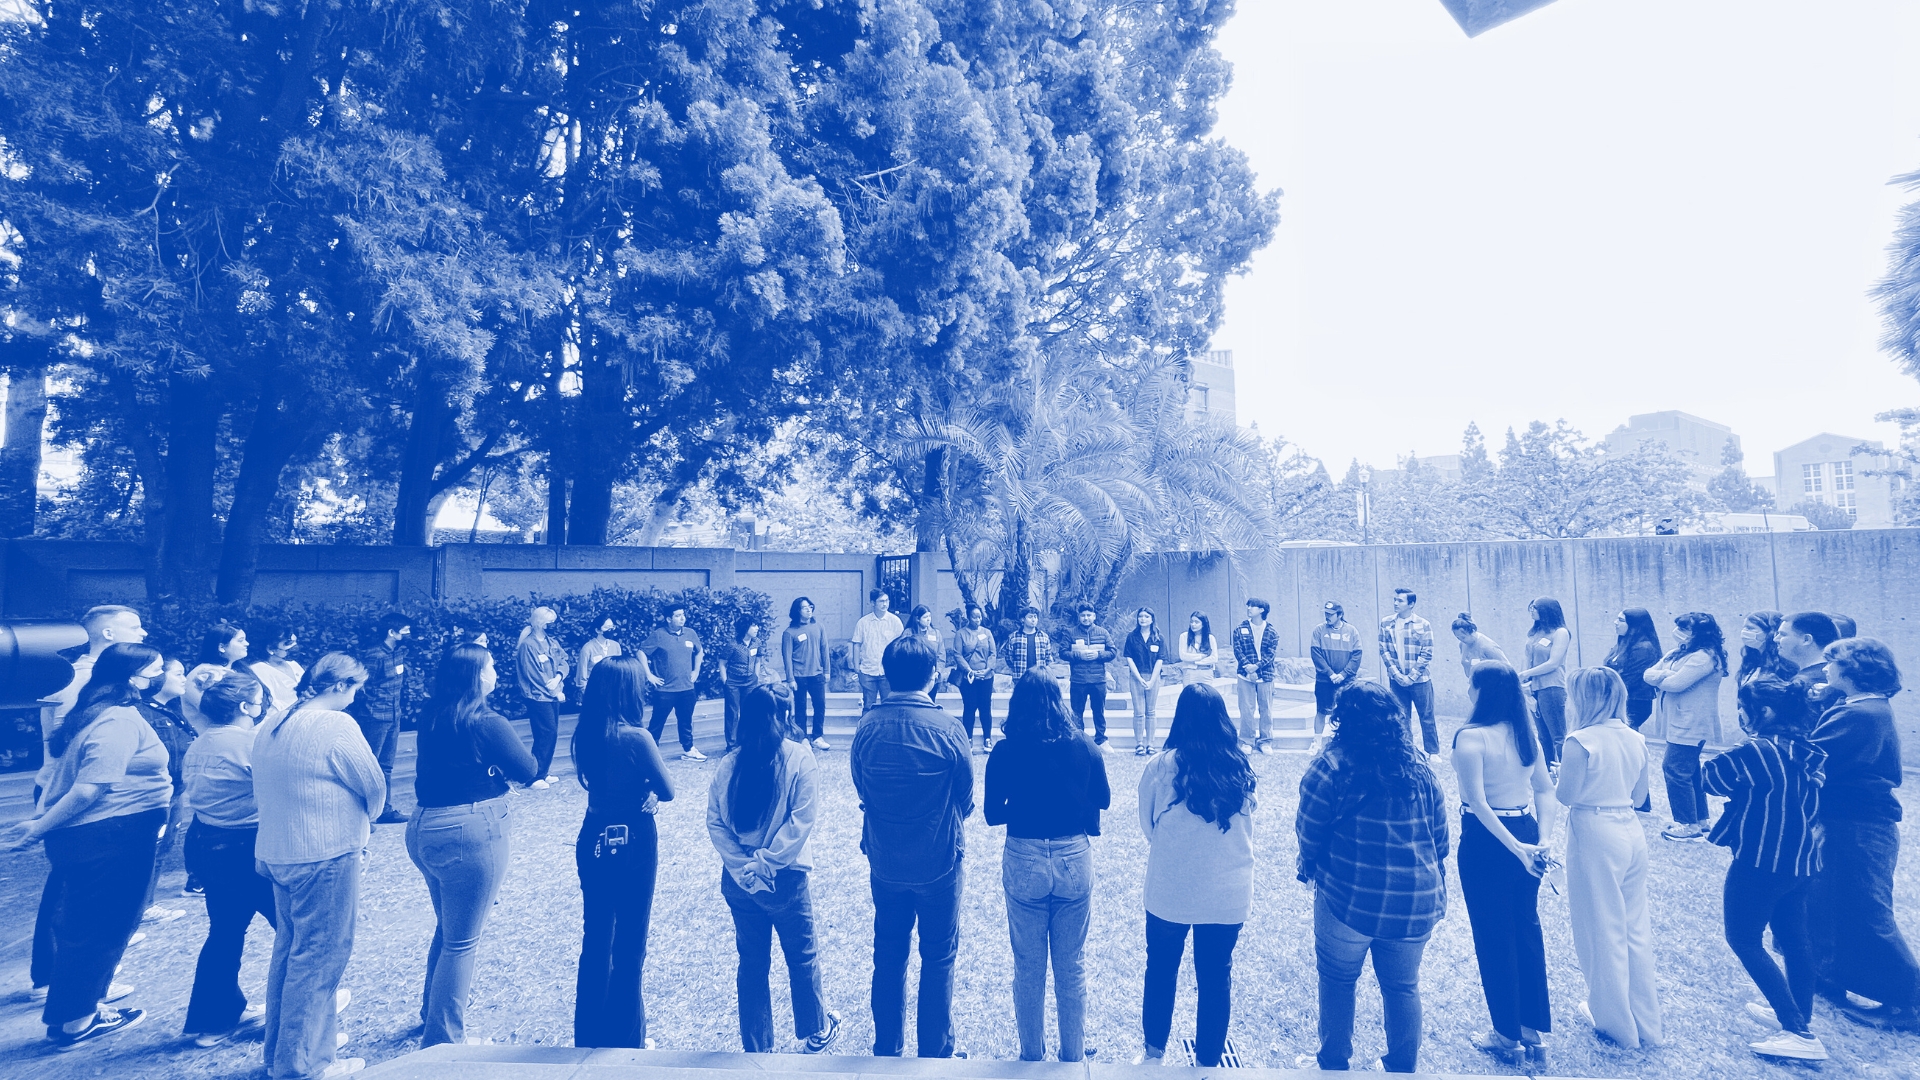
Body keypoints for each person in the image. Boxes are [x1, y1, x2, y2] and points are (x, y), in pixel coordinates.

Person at [4, 643, 170, 1049]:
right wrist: (38, 828)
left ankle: (69, 1016)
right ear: (133, 677)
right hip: (111, 835)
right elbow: (89, 788)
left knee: (86, 925)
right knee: (103, 927)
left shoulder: (94, 712)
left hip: (100, 835)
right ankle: (79, 1021)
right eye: (156, 670)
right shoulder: (118, 720)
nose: (162, 675)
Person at [1294, 680, 1449, 1074]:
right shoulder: (1419, 767)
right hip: (1415, 903)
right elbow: (1440, 839)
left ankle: (1333, 1063)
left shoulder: (1330, 767)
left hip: (1348, 900)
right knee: (1402, 986)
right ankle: (1402, 1067)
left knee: (1337, 980)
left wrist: (1308, 869)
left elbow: (1309, 831)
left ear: (1342, 718)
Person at [252, 652, 385, 1079]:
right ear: (340, 686)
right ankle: (302, 1064)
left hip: (279, 849)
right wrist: (367, 821)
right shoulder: (336, 725)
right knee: (320, 959)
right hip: (324, 852)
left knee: (291, 952)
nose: (357, 696)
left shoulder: (274, 721)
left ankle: (283, 1052)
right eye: (355, 688)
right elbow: (372, 783)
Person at [850, 634, 973, 1058]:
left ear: (887, 674)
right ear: (933, 675)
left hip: (885, 857)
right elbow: (965, 798)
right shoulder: (948, 728)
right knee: (938, 956)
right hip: (939, 857)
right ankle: (934, 1052)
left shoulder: (867, 726)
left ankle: (887, 1046)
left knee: (888, 952)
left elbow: (861, 786)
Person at [408, 644, 539, 1047]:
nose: (496, 671)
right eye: (491, 666)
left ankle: (431, 1013)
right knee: (461, 942)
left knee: (449, 927)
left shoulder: (433, 714)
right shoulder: (487, 721)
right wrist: (496, 772)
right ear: (477, 676)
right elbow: (529, 769)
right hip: (469, 829)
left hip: (424, 824)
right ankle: (443, 1040)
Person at [985, 670, 1112, 1062]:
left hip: (1024, 855)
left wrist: (1026, 804)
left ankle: (1031, 1055)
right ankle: (1072, 1055)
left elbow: (992, 813)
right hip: (1073, 855)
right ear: (1060, 701)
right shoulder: (1084, 745)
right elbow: (1104, 799)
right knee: (1071, 966)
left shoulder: (1005, 751)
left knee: (1028, 967)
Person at [706, 685, 841, 1054]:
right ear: (784, 716)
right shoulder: (799, 758)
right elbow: (800, 823)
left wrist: (743, 867)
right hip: (785, 877)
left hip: (740, 882)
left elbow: (715, 822)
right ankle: (816, 1030)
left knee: (751, 963)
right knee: (802, 954)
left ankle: (758, 1045)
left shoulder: (729, 763)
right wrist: (765, 863)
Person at [1704, 675, 1830, 1061]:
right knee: (1795, 940)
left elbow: (1710, 779)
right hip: (1802, 860)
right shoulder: (1806, 748)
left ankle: (1798, 1032)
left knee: (1743, 938)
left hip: (1761, 860)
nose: (1740, 715)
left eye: (1742, 708)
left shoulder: (1755, 750)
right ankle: (1798, 1016)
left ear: (1765, 711)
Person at [27, 605, 147, 1007]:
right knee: (73, 893)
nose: (143, 633)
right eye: (135, 626)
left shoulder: (81, 676)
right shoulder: (83, 679)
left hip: (79, 792)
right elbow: (71, 748)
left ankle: (67, 979)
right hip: (77, 794)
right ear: (108, 634)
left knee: (76, 890)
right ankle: (60, 982)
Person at [1137, 683, 1256, 1068]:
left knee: (1160, 969)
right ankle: (1208, 1063)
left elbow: (1148, 824)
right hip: (1228, 892)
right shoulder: (1239, 766)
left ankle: (1153, 1054)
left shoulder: (1161, 766)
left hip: (1171, 888)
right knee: (1216, 976)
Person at [1807, 637, 1920, 1031]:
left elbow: (1810, 755)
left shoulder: (1859, 713)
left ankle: (1909, 1002)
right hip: (1855, 822)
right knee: (1832, 903)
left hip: (1857, 826)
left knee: (1866, 912)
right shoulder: (1865, 707)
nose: (1825, 668)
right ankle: (1829, 978)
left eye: (1831, 661)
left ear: (1852, 669)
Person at [1451, 662, 1555, 1070]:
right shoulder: (1525, 734)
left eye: (1471, 684)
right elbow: (1544, 790)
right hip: (1524, 830)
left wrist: (1519, 846)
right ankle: (1531, 1031)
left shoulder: (1470, 737)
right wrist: (1540, 840)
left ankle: (1506, 1036)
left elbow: (1477, 802)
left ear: (1482, 691)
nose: (1468, 690)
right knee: (1526, 930)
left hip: (1486, 841)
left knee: (1494, 936)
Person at [571, 655, 675, 1048]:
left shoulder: (586, 733)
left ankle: (589, 1034)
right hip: (633, 836)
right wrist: (650, 791)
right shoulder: (636, 737)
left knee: (596, 937)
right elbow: (667, 789)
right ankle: (626, 1038)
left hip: (593, 833)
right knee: (630, 942)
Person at [1554, 668, 1660, 1050]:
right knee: (1634, 929)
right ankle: (1645, 1023)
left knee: (1601, 928)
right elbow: (1640, 795)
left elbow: (1566, 796)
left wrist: (1560, 776)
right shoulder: (1636, 738)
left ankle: (1615, 1023)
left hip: (1594, 830)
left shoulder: (1580, 740)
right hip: (1629, 828)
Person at [181, 670, 277, 1047]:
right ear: (245, 707)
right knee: (294, 928)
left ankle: (212, 1021)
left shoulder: (200, 742)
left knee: (224, 932)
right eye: (259, 700)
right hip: (248, 845)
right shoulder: (251, 744)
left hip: (209, 843)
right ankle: (301, 1009)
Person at [1644, 612, 1728, 843]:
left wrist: (1665, 676)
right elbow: (1648, 674)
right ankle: (1699, 820)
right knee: (1689, 770)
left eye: (1684, 629)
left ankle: (1686, 824)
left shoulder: (1704, 657)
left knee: (1674, 769)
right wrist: (1666, 674)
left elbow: (1676, 684)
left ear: (1699, 633)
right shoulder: (1678, 652)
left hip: (1691, 722)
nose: (1678, 632)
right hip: (1679, 721)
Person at [136, 657, 196, 920]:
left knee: (163, 847)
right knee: (149, 849)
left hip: (174, 791)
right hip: (156, 793)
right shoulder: (142, 712)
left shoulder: (169, 711)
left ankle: (145, 905)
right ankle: (134, 911)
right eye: (178, 673)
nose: (184, 679)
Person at [354, 613, 413, 823]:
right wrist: (372, 708)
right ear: (391, 632)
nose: (408, 634)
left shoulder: (399, 653)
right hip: (375, 717)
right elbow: (361, 686)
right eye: (405, 630)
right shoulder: (374, 655)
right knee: (370, 764)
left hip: (394, 716)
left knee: (385, 766)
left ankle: (384, 810)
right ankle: (364, 813)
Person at [1379, 588, 1438, 757]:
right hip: (1396, 679)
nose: (1395, 603)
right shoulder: (1386, 623)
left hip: (1420, 680)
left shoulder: (1423, 624)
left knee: (1426, 715)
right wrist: (1396, 674)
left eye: (1400, 600)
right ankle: (1406, 750)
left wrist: (1411, 677)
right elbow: (1383, 649)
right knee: (1401, 716)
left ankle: (1432, 752)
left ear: (1411, 604)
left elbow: (1427, 652)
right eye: (1395, 600)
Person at [642, 603, 705, 761]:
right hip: (665, 690)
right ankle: (649, 753)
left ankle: (689, 749)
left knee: (686, 721)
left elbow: (699, 652)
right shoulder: (658, 635)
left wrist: (696, 671)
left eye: (683, 614)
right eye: (677, 615)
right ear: (668, 619)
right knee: (657, 722)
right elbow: (641, 652)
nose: (682, 618)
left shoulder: (690, 633)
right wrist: (649, 675)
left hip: (687, 688)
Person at [516, 606, 569, 782]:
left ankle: (543, 771)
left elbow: (564, 661)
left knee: (550, 734)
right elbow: (534, 675)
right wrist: (556, 691)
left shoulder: (552, 642)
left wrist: (559, 676)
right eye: (550, 622)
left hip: (551, 696)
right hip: (538, 697)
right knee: (545, 734)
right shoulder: (528, 646)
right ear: (540, 623)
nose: (553, 625)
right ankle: (534, 776)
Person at [1518, 598, 1572, 767]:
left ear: (1547, 610)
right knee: (1543, 736)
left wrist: (1526, 674)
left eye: (1535, 608)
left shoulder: (1560, 632)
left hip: (1551, 687)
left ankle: (1565, 770)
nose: (1531, 611)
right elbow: (1526, 657)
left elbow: (1554, 663)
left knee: (1558, 735)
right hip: (1533, 688)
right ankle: (1549, 772)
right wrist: (1525, 683)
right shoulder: (1535, 632)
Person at [781, 597, 832, 751]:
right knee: (800, 708)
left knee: (820, 705)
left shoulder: (819, 627)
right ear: (797, 611)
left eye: (810, 606)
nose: (809, 609)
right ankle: (802, 738)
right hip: (799, 676)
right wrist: (790, 678)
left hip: (817, 674)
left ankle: (817, 737)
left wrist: (827, 671)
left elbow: (824, 649)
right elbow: (787, 658)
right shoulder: (789, 632)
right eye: (805, 607)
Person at [1232, 598, 1281, 753]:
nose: (1249, 608)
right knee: (1246, 709)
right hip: (1245, 675)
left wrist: (1256, 668)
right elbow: (1238, 650)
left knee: (1266, 709)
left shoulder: (1272, 632)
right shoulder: (1240, 629)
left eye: (1252, 606)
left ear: (1262, 610)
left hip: (1265, 675)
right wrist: (1249, 669)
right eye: (1248, 605)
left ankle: (1265, 741)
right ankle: (1247, 740)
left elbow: (1270, 655)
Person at [1311, 602, 1364, 744]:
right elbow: (1316, 655)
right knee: (1321, 710)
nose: (1327, 616)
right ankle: (1316, 742)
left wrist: (1343, 675)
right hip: (1324, 680)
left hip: (1347, 680)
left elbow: (1356, 656)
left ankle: (1347, 741)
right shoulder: (1319, 630)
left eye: (1330, 614)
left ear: (1339, 615)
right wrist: (1330, 674)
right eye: (1326, 613)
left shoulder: (1352, 631)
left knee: (1348, 710)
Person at [1603, 609, 1663, 731]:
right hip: (1618, 698)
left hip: (1634, 702)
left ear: (1634, 625)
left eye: (1621, 620)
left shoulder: (1644, 648)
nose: (1615, 622)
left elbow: (1632, 678)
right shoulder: (1623, 643)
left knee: (1624, 735)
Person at [1066, 604, 1117, 746]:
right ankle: (1078, 741)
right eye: (1083, 615)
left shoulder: (1103, 632)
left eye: (1089, 615)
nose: (1086, 618)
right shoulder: (1070, 632)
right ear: (1079, 617)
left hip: (1098, 680)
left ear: (1094, 616)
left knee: (1099, 711)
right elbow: (1063, 652)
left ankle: (1101, 740)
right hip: (1078, 680)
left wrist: (1098, 655)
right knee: (1077, 712)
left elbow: (1113, 652)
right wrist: (1079, 655)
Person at [1775, 611, 1842, 719]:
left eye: (1783, 634)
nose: (1775, 639)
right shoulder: (1840, 676)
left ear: (1806, 639)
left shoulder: (1802, 683)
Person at [951, 603, 998, 753]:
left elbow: (993, 653)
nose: (978, 620)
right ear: (968, 617)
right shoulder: (961, 634)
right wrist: (969, 670)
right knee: (969, 707)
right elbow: (957, 654)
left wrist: (987, 669)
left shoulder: (987, 632)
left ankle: (987, 738)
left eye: (979, 617)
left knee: (985, 708)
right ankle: (968, 738)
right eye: (974, 617)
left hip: (986, 677)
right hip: (969, 677)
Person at [184, 623, 250, 727]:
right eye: (240, 640)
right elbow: (218, 712)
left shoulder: (239, 669)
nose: (247, 644)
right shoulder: (202, 674)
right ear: (221, 647)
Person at [1122, 607, 1167, 756]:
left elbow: (1160, 659)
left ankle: (1150, 744)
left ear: (1152, 619)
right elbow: (1129, 658)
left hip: (1153, 676)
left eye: (1146, 616)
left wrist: (1152, 680)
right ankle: (1139, 743)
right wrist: (1139, 678)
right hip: (1136, 677)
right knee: (1139, 712)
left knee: (1151, 712)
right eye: (1140, 616)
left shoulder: (1159, 637)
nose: (1143, 619)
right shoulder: (1132, 636)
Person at [851, 589, 905, 712]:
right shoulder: (863, 622)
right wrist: (856, 667)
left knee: (889, 705)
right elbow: (856, 644)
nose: (885, 604)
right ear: (872, 603)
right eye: (881, 601)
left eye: (887, 601)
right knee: (868, 705)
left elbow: (901, 645)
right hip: (867, 670)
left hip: (888, 670)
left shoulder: (895, 622)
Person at [247, 621, 307, 725]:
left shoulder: (294, 665)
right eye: (288, 643)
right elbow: (270, 709)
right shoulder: (258, 670)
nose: (294, 647)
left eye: (295, 642)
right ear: (270, 648)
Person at [722, 615, 767, 751]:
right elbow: (722, 663)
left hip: (750, 681)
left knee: (749, 711)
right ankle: (731, 744)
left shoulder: (757, 642)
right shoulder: (733, 644)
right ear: (745, 627)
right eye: (753, 625)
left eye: (757, 625)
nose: (757, 628)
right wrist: (725, 681)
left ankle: (746, 741)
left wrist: (756, 676)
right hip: (733, 682)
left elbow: (758, 660)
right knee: (733, 713)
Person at [1736, 611, 1796, 690]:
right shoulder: (1751, 662)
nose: (1744, 631)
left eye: (1750, 628)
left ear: (1769, 632)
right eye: (1744, 627)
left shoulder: (1785, 665)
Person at [574, 616, 623, 702]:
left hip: (613, 691)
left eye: (612, 627)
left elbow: (620, 669)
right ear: (598, 630)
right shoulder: (588, 648)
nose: (610, 630)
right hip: (594, 691)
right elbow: (582, 674)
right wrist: (585, 692)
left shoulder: (616, 646)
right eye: (606, 627)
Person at [1001, 605, 1055, 681]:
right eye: (1030, 617)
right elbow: (1009, 658)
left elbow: (1048, 658)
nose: (1033, 620)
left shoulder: (1044, 637)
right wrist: (1017, 668)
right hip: (1020, 677)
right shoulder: (1014, 637)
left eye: (1035, 617)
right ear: (1022, 619)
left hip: (1039, 678)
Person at [1452, 611, 1510, 681]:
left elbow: (1507, 669)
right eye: (1458, 638)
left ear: (1472, 631)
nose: (1461, 640)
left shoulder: (1488, 647)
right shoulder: (1462, 645)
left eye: (1463, 637)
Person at [908, 605, 948, 696]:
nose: (928, 619)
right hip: (913, 675)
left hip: (931, 676)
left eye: (929, 616)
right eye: (925, 617)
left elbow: (941, 655)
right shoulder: (909, 633)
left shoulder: (936, 633)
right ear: (917, 619)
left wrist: (938, 671)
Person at [1179, 611, 1217, 686]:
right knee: (1190, 693)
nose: (1193, 624)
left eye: (1196, 622)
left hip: (1206, 673)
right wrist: (1201, 656)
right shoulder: (1184, 636)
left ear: (1203, 624)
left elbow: (1214, 658)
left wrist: (1195, 662)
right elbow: (1183, 656)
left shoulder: (1210, 638)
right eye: (1191, 622)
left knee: (1206, 693)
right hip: (1190, 672)